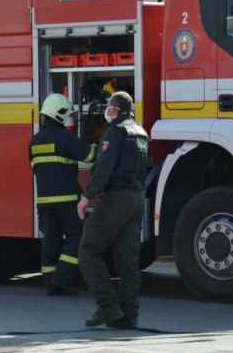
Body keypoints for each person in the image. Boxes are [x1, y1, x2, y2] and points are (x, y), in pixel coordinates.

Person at [78, 91, 149, 330]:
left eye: (109, 107)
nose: (107, 111)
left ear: (115, 110)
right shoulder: (140, 132)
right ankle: (128, 316)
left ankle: (108, 306)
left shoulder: (114, 132)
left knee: (88, 251)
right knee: (128, 261)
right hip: (137, 198)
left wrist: (87, 197)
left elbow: (104, 168)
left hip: (116, 198)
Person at [29, 93, 95, 296]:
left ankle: (50, 283)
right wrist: (103, 144)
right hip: (67, 201)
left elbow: (35, 168)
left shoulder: (34, 141)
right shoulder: (66, 138)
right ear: (59, 115)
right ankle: (63, 278)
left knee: (51, 241)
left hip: (44, 203)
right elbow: (90, 155)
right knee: (80, 237)